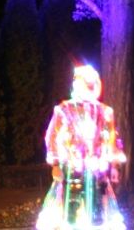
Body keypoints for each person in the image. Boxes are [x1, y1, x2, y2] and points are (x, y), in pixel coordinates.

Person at [36, 64, 126, 230]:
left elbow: (112, 137)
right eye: (87, 85)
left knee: (98, 209)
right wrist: (56, 165)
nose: (91, 89)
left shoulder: (104, 111)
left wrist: (114, 165)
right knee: (71, 206)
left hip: (97, 170)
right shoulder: (64, 110)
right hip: (72, 169)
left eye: (93, 85)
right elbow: (54, 137)